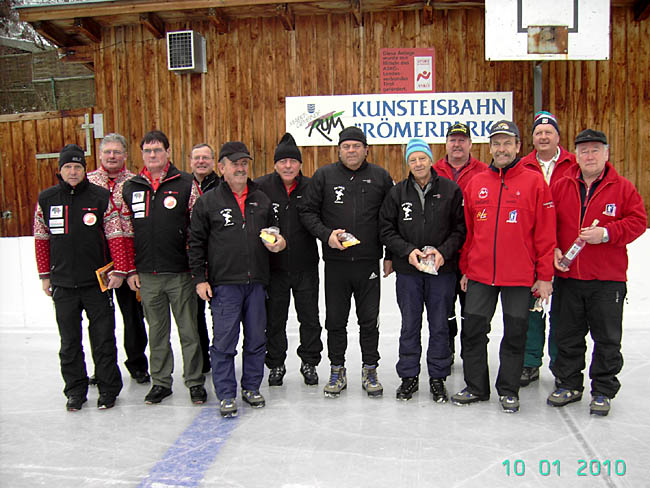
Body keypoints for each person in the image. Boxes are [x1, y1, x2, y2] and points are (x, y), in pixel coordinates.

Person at [452, 120, 556, 413]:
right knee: (472, 331)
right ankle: (475, 386)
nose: (501, 148)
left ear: (518, 147)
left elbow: (546, 234)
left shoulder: (534, 182)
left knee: (515, 334)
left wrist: (545, 275)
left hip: (519, 277)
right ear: (490, 147)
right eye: (496, 143)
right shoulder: (477, 183)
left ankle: (508, 390)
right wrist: (465, 269)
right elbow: (468, 233)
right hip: (480, 275)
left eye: (507, 143)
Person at [547, 129, 647, 416]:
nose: (589, 156)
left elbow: (638, 222)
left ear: (606, 152)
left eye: (594, 150)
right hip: (568, 277)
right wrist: (553, 248)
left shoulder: (622, 187)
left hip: (607, 280)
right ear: (575, 155)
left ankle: (602, 390)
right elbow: (547, 222)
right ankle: (568, 384)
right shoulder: (562, 185)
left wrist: (606, 233)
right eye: (583, 151)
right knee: (567, 335)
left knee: (607, 338)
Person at [189, 141, 286, 418]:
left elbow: (274, 232)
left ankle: (251, 387)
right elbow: (195, 243)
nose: (241, 167)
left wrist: (279, 243)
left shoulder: (261, 198)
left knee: (256, 340)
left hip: (256, 283)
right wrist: (200, 279)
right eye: (235, 163)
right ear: (221, 167)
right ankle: (227, 393)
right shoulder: (209, 201)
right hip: (224, 285)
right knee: (224, 343)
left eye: (244, 162)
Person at [300, 126, 393, 398]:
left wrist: (389, 254)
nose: (351, 151)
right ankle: (337, 369)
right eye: (346, 146)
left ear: (366, 149)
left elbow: (390, 219)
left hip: (367, 264)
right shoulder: (325, 176)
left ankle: (370, 368)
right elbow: (307, 211)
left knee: (369, 320)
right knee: (336, 320)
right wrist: (326, 234)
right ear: (338, 150)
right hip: (336, 264)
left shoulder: (380, 177)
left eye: (356, 146)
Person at [34, 144, 128, 411]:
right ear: (60, 170)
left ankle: (109, 389)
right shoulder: (47, 199)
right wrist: (45, 275)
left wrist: (119, 270)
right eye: (68, 167)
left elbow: (115, 236)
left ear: (84, 171)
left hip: (96, 284)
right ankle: (75, 390)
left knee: (103, 338)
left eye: (77, 167)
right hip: (63, 283)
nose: (73, 172)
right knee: (69, 341)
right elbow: (41, 239)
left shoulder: (99, 197)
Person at [122, 130, 207, 405]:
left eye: (157, 150)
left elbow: (198, 229)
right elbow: (125, 232)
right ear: (142, 155)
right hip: (147, 275)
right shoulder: (132, 187)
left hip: (179, 274)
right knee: (156, 332)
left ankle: (194, 381)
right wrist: (131, 270)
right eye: (147, 151)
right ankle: (161, 382)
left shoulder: (185, 183)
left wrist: (197, 270)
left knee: (188, 331)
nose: (152, 155)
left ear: (168, 152)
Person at [380, 138, 466, 402]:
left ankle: (438, 378)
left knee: (439, 325)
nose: (418, 163)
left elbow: (460, 230)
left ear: (431, 160)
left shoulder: (451, 190)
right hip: (409, 272)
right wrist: (407, 251)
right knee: (409, 325)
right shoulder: (397, 193)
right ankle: (409, 377)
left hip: (442, 271)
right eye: (413, 159)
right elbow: (386, 229)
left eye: (422, 158)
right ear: (408, 163)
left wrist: (442, 252)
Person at [254, 133, 322, 386]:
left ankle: (310, 362)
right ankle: (276, 363)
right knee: (275, 318)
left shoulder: (312, 186)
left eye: (293, 161)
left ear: (300, 165)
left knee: (310, 317)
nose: (288, 166)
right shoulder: (261, 187)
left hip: (306, 265)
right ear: (274, 164)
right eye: (283, 161)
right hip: (274, 268)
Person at [519, 111, 578, 387]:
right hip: (534, 252)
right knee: (533, 311)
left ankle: (559, 363)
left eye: (548, 132)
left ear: (557, 136)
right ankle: (530, 362)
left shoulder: (574, 165)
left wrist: (561, 246)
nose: (543, 136)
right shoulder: (523, 166)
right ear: (531, 139)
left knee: (563, 314)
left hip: (568, 254)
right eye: (538, 133)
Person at [87, 133, 150, 384]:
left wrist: (133, 265)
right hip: (97, 263)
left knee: (133, 317)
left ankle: (137, 364)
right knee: (100, 321)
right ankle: (102, 368)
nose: (112, 156)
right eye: (107, 152)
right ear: (100, 155)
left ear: (125, 155)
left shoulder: (135, 182)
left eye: (117, 152)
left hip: (128, 263)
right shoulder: (88, 181)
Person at [433, 122, 487, 361]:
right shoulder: (433, 170)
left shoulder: (484, 172)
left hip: (474, 254)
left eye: (462, 140)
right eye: (453, 140)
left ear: (470, 144)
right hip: (442, 254)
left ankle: (472, 353)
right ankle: (448, 348)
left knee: (472, 311)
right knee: (444, 309)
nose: (457, 144)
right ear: (446, 143)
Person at [189, 143, 219, 374]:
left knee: (220, 315)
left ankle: (221, 357)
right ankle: (201, 361)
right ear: (190, 161)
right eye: (197, 157)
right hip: (193, 260)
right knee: (195, 315)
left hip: (219, 261)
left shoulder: (221, 186)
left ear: (213, 161)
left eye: (205, 157)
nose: (201, 161)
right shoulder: (182, 186)